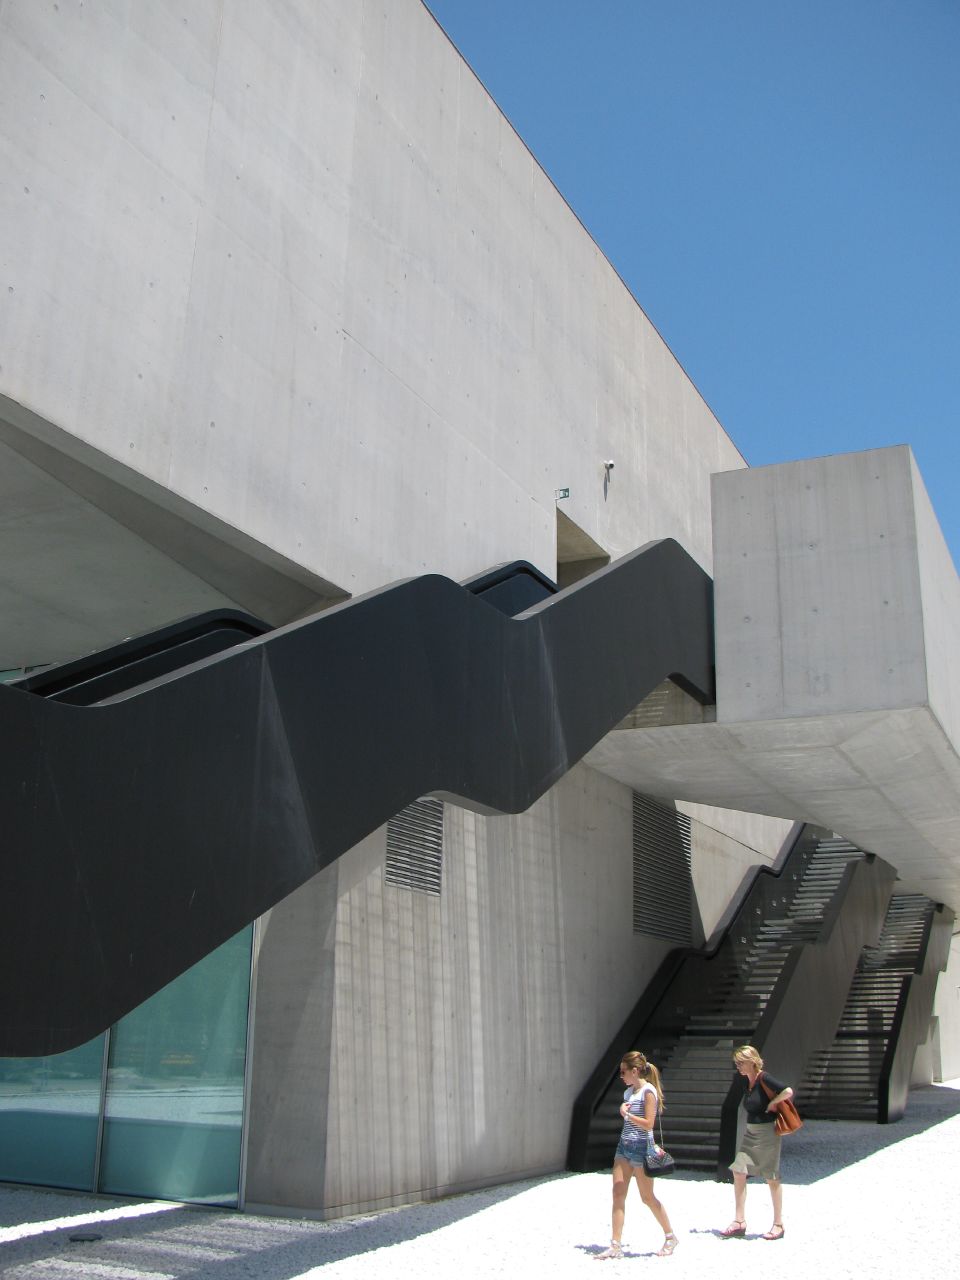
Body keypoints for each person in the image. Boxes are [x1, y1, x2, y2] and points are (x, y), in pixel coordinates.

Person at [596, 1050, 678, 1260]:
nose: (621, 1076)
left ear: (634, 1071)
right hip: (624, 1146)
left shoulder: (648, 1092)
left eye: (623, 1072)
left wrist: (627, 1114)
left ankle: (670, 1236)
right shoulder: (628, 1093)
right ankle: (615, 1244)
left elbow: (649, 1124)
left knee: (647, 1197)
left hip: (642, 1148)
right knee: (617, 1192)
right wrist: (625, 1109)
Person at [720, 1044, 793, 1241]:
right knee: (738, 1170)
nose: (739, 1067)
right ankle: (739, 1220)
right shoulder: (747, 1082)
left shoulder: (763, 1077)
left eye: (741, 1063)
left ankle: (778, 1224)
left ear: (752, 1062)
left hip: (768, 1133)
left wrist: (773, 1102)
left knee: (771, 1176)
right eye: (737, 1063)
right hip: (751, 1133)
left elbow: (787, 1090)